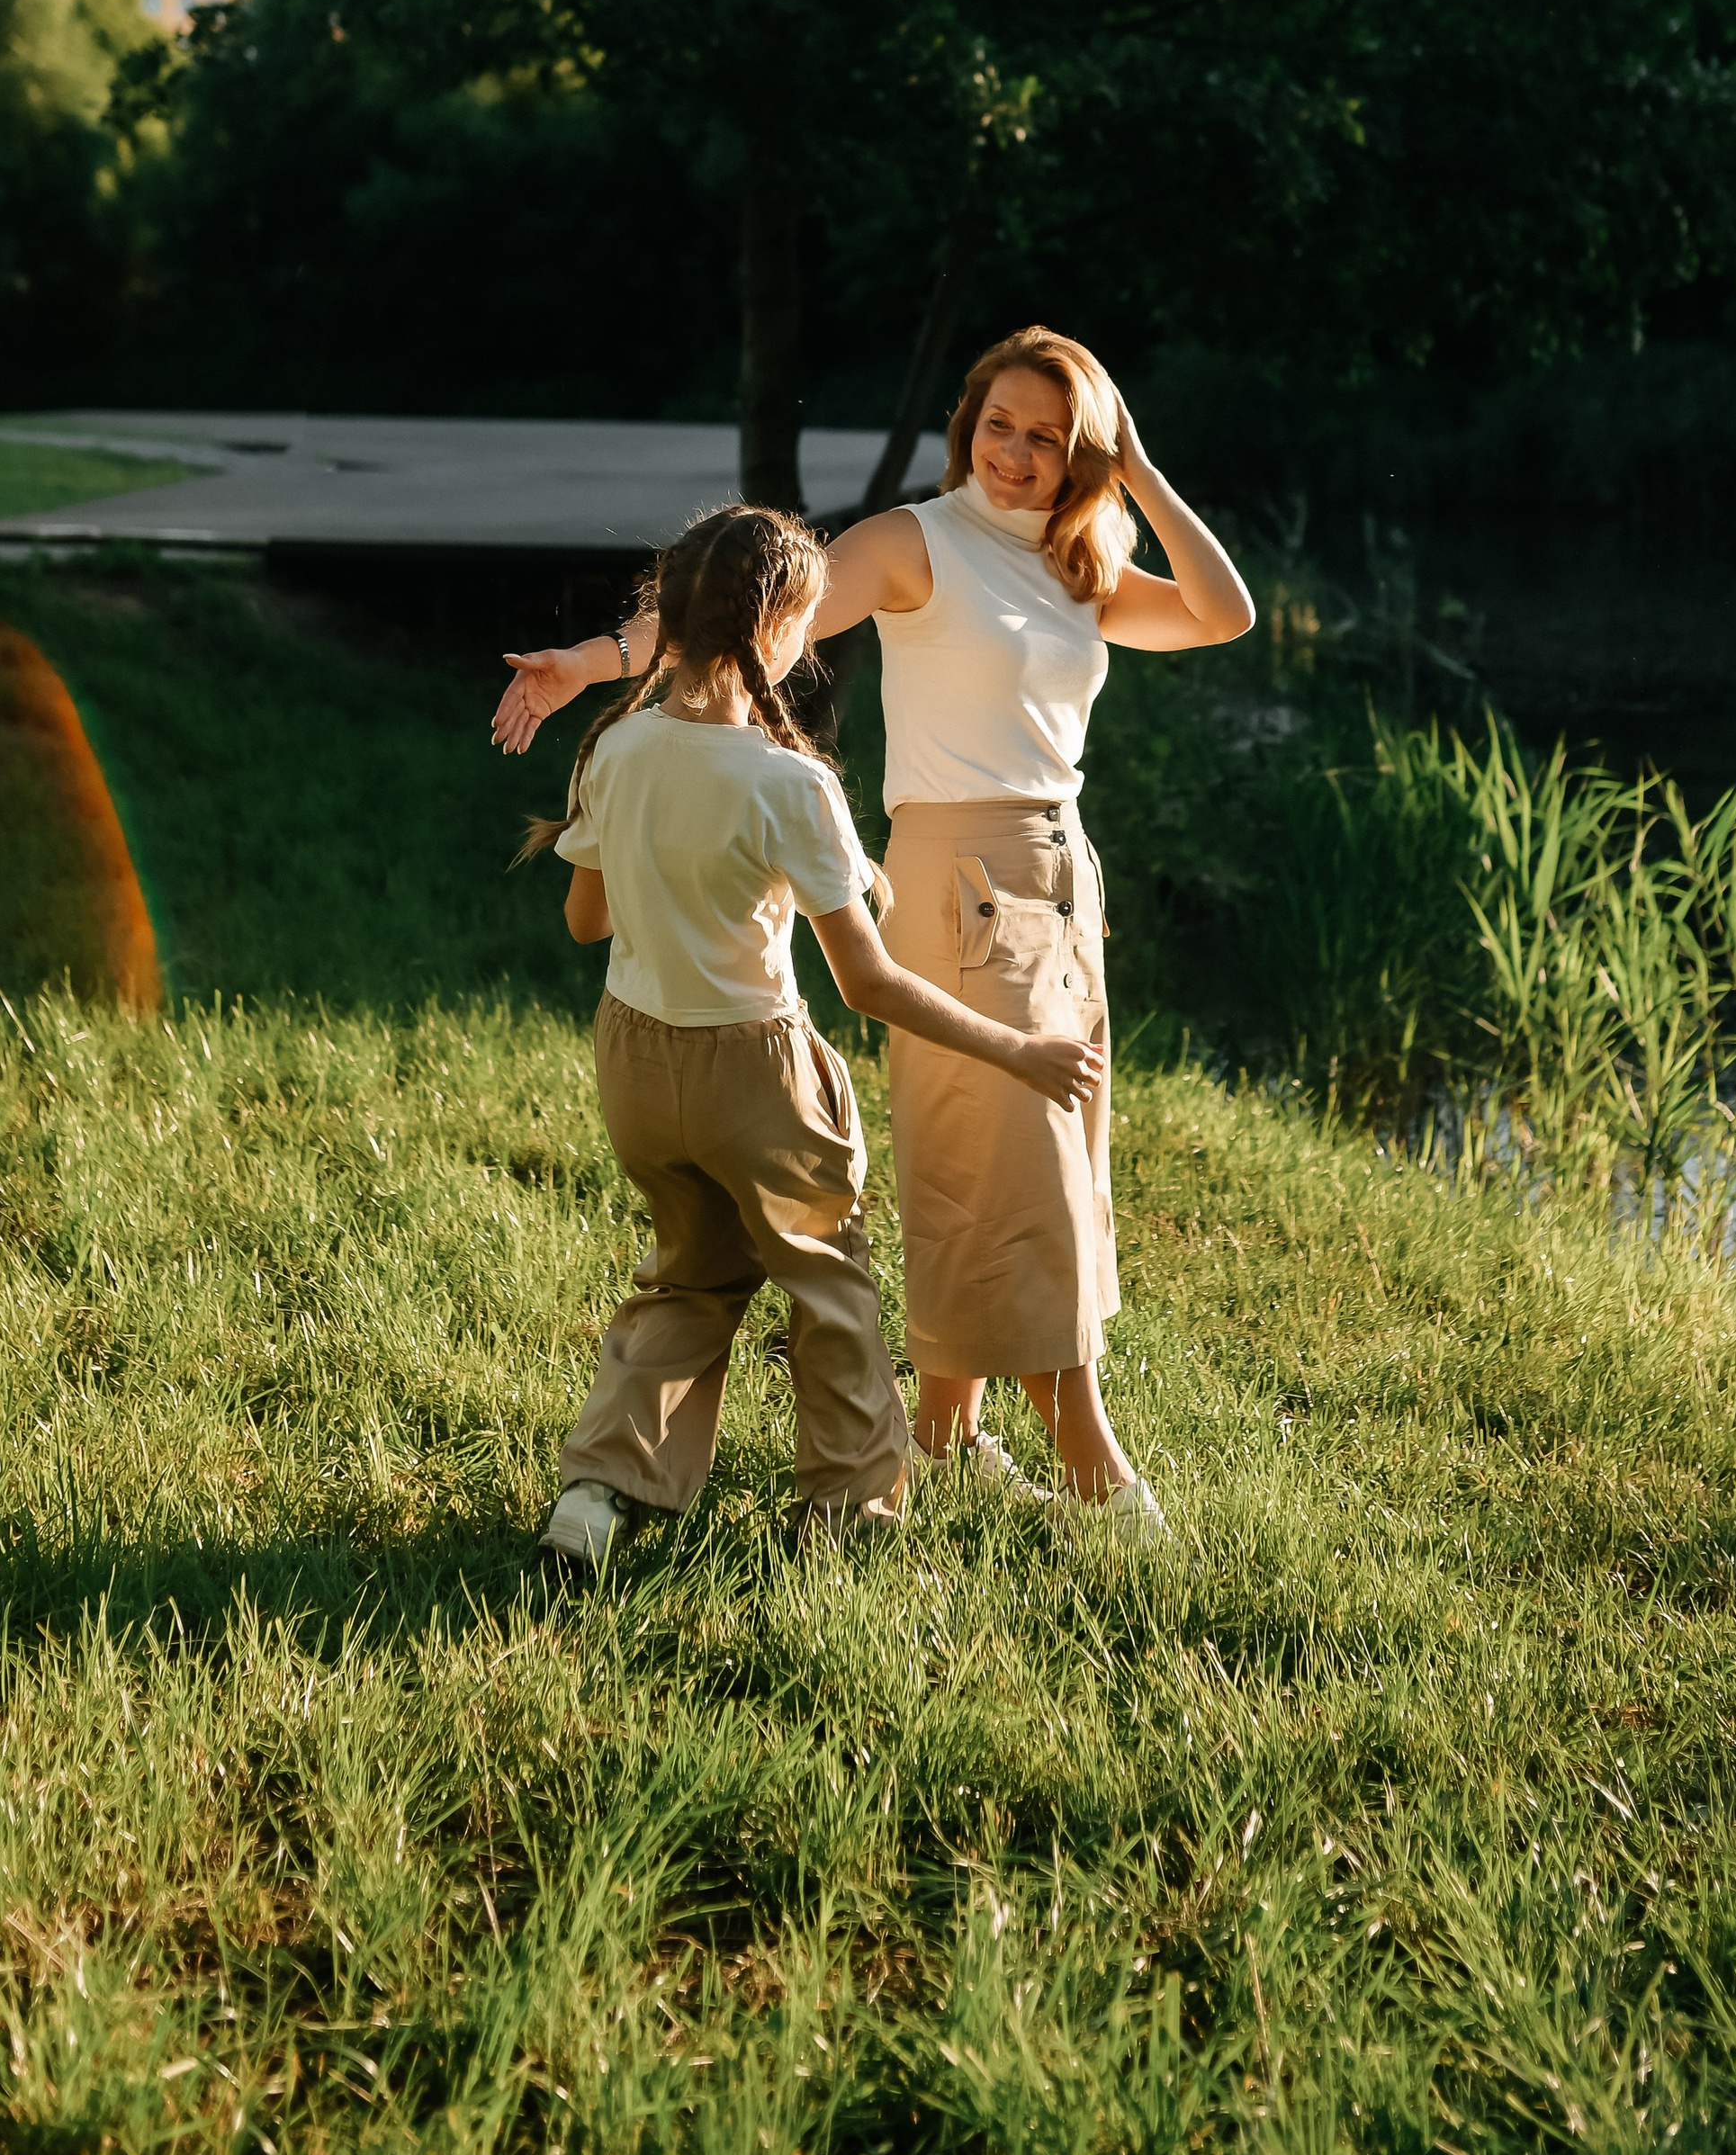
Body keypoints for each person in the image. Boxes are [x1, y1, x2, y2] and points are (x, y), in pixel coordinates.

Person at [497, 330, 1254, 1546]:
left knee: (1041, 1159)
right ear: (968, 426)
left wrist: (1138, 473)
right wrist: (590, 664)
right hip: (963, 875)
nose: (1016, 454)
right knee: (1020, 1168)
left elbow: (1224, 613)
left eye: (1050, 438)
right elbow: (734, 618)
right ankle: (1090, 1457)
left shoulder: (1079, 563)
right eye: (999, 425)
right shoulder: (918, 542)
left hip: (1063, 876)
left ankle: (948, 1427)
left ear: (1085, 453)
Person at [526, 498, 1103, 1567]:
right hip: (756, 1070)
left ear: (678, 616)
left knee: (689, 1279)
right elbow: (867, 983)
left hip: (636, 1060)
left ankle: (600, 1490)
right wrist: (1018, 1048)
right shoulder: (793, 782)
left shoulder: (615, 748)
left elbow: (585, 919)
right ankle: (846, 1511)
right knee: (830, 1289)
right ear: (780, 628)